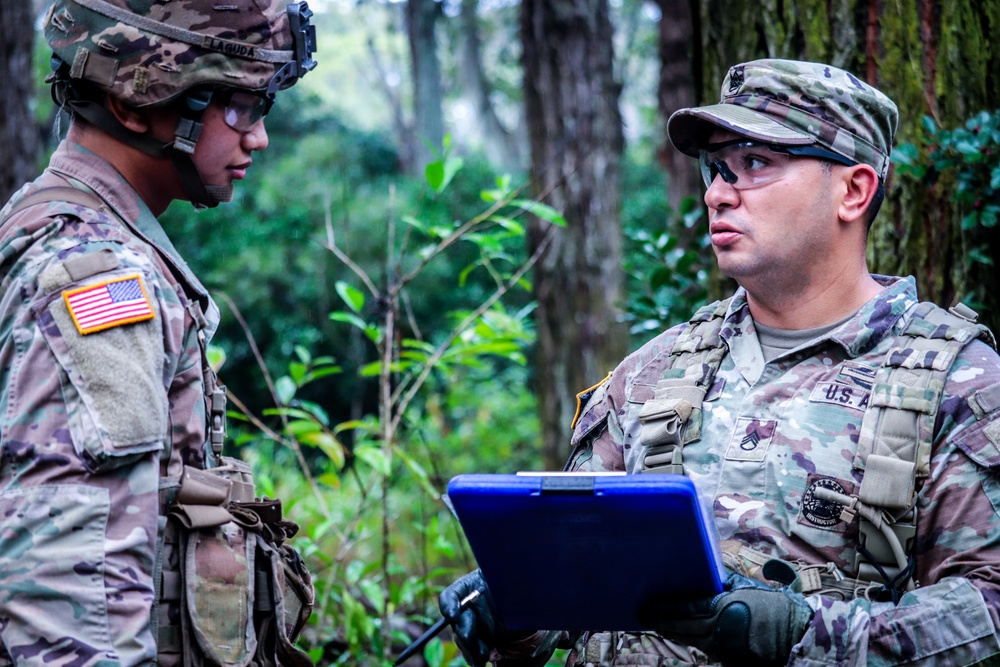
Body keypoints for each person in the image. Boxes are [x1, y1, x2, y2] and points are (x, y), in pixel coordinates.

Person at [439, 59, 1000, 666]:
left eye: (755, 164)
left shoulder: (956, 383)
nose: (715, 193)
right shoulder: (653, 372)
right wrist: (517, 607)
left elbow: (989, 611)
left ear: (854, 190)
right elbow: (578, 574)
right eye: (715, 168)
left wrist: (802, 634)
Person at [0, 1, 318, 665]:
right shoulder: (94, 277)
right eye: (242, 104)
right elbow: (71, 601)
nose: (257, 137)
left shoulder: (50, 226)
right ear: (137, 102)